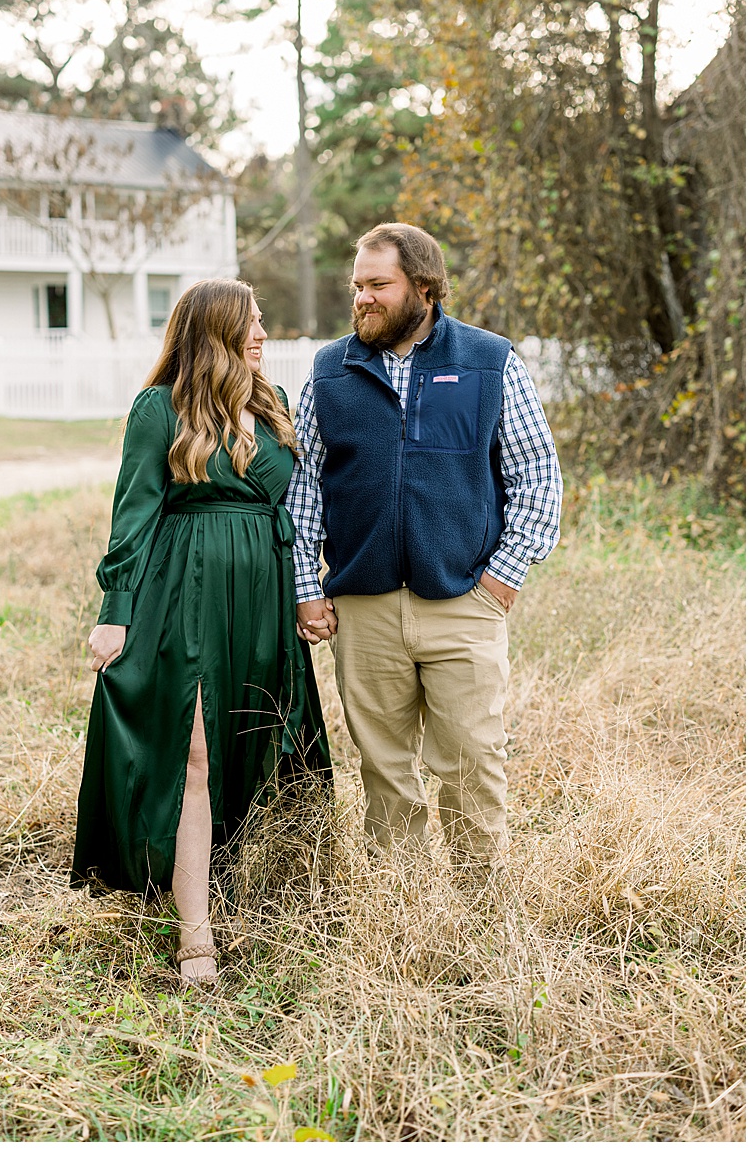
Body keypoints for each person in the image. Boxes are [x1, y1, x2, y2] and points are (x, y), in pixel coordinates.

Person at [73, 278, 331, 988]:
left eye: (262, 322)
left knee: (257, 743)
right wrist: (115, 611)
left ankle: (250, 887)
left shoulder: (269, 405)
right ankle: (196, 936)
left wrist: (312, 589)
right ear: (213, 332)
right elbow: (133, 512)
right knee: (194, 755)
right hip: (184, 594)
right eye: (250, 324)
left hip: (264, 596)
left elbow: (304, 505)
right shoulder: (160, 409)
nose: (262, 334)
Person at [285, 222, 562, 878]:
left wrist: (502, 579)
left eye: (379, 285)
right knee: (385, 778)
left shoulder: (489, 362)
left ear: (426, 288)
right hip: (365, 609)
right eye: (358, 287)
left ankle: (482, 922)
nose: (363, 299)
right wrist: (306, 586)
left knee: (471, 768)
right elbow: (304, 492)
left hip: (464, 603)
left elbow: (536, 477)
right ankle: (403, 921)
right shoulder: (330, 372)